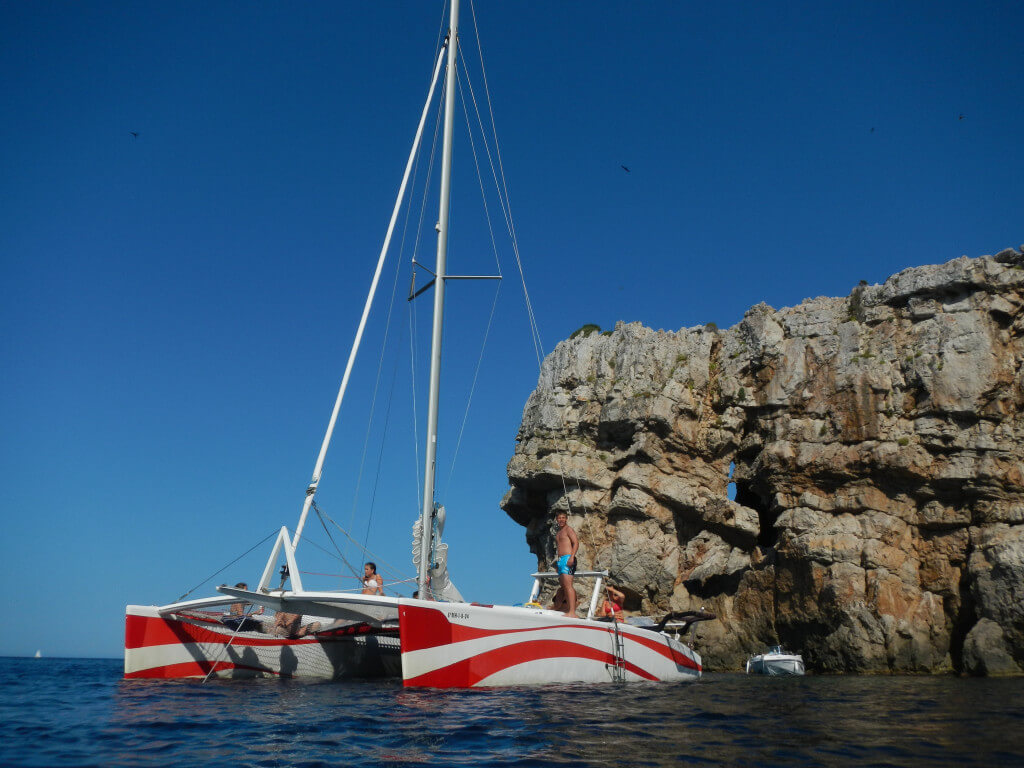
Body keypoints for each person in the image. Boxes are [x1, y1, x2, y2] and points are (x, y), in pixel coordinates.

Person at [554, 511, 579, 617]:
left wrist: (572, 557)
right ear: (556, 519)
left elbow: (576, 542)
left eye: (563, 517)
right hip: (560, 561)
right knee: (563, 586)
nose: (561, 520)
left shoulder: (568, 529)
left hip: (568, 558)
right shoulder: (558, 533)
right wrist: (558, 562)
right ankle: (559, 608)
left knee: (568, 586)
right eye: (559, 518)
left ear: (566, 519)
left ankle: (572, 612)